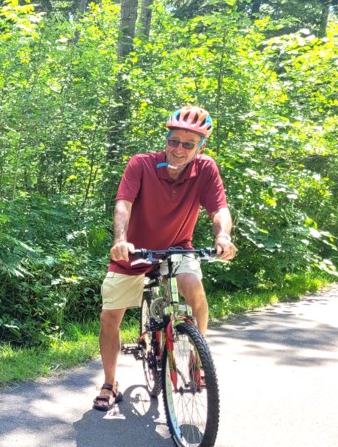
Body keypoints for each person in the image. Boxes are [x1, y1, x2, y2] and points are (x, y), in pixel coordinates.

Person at [93, 106, 237, 412]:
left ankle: (197, 361)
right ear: (166, 139)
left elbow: (218, 210)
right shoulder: (142, 164)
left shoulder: (206, 169)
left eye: (188, 144)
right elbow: (123, 204)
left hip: (177, 247)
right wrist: (120, 241)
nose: (179, 149)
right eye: (174, 141)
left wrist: (223, 236)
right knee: (110, 316)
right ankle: (109, 382)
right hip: (134, 250)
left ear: (200, 146)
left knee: (193, 286)